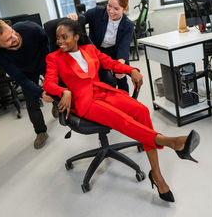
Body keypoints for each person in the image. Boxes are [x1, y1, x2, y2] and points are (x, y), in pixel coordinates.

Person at [42, 19, 200, 202]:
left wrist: (131, 69)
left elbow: (110, 63)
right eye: (57, 38)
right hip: (84, 101)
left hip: (104, 92)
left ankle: (156, 173)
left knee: (141, 110)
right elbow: (48, 83)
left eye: (64, 37)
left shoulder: (90, 50)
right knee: (123, 120)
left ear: (76, 37)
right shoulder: (54, 58)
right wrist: (64, 91)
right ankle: (171, 142)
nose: (59, 41)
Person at [0, 18, 53, 149]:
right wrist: (41, 93)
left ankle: (57, 107)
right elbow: (20, 79)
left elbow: (48, 43)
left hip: (45, 62)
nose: (14, 37)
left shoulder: (30, 28)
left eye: (12, 32)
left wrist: (51, 66)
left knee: (56, 89)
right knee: (32, 103)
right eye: (8, 39)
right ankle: (41, 132)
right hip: (26, 72)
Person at [67, 0, 134, 92]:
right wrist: (73, 17)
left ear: (124, 9)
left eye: (116, 9)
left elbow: (123, 48)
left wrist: (120, 65)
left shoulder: (128, 25)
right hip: (97, 51)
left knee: (121, 78)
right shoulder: (97, 12)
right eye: (109, 6)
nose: (111, 11)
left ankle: (126, 102)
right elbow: (82, 19)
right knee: (103, 79)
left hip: (115, 51)